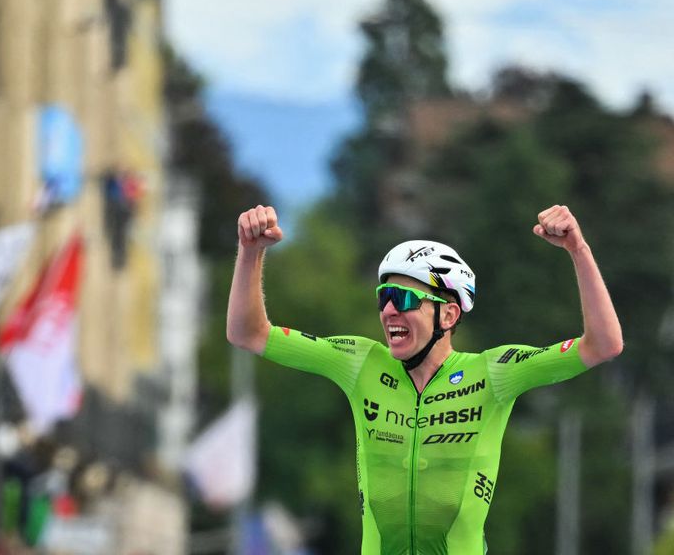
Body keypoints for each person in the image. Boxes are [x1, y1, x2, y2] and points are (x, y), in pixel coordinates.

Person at [226, 204, 622, 554]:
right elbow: (249, 334)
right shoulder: (360, 363)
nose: (389, 311)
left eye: (405, 299)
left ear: (448, 315)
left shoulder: (494, 373)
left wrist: (578, 249)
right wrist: (250, 251)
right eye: (384, 297)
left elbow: (603, 344)